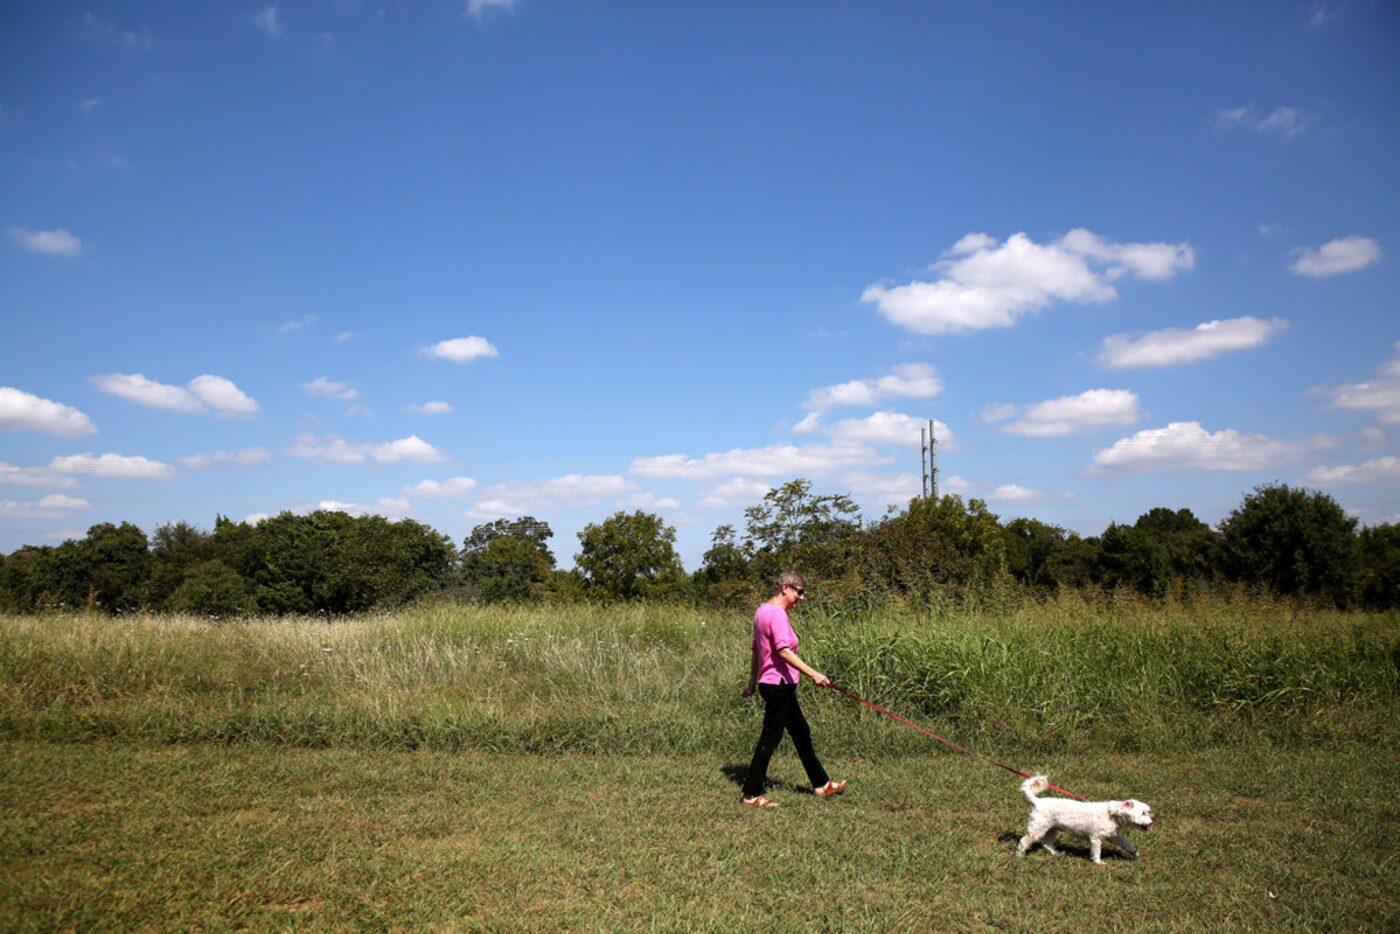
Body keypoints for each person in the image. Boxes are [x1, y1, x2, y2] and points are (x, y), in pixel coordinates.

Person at [739, 571, 847, 808]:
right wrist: (814, 674)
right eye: (799, 591)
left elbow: (757, 651)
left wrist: (752, 683)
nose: (801, 597)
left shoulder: (762, 611)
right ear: (785, 588)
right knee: (769, 739)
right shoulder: (776, 614)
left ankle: (821, 784)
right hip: (778, 686)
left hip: (775, 685)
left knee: (801, 734)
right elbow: (783, 651)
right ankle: (751, 794)